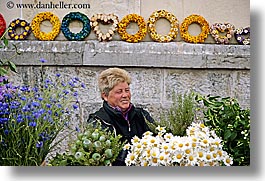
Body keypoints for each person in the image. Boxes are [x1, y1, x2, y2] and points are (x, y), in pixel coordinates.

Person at [87, 67, 154, 166]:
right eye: (119, 92)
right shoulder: (98, 121)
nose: (125, 95)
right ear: (105, 96)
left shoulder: (142, 115)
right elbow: (105, 156)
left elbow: (157, 139)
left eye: (127, 90)